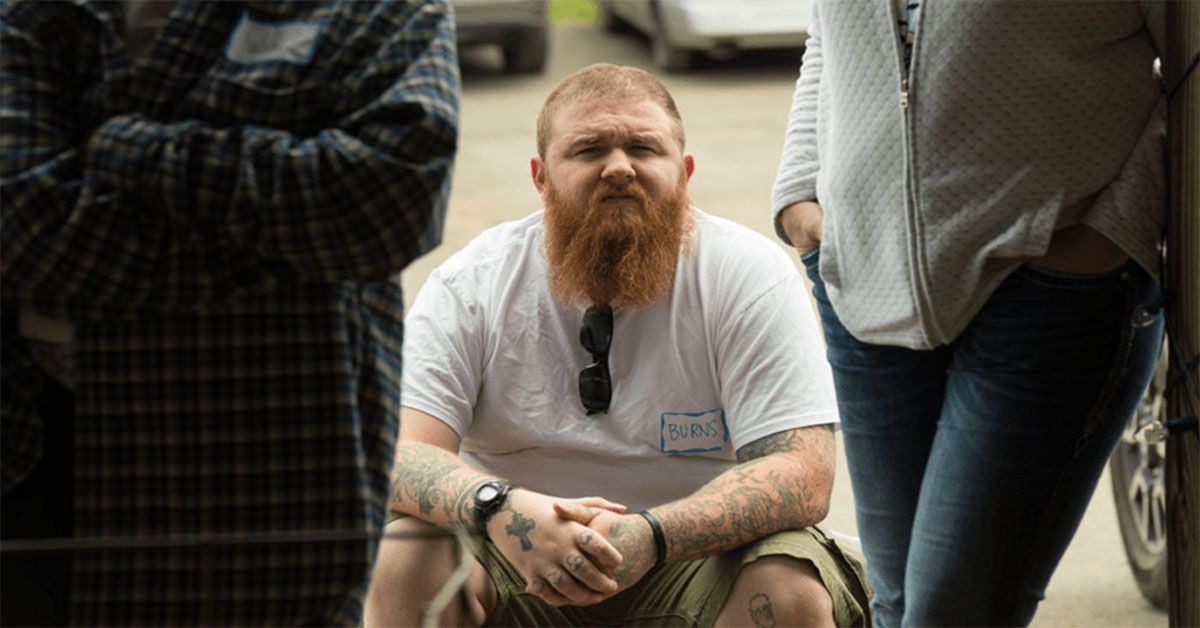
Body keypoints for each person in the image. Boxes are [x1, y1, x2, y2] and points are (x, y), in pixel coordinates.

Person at [364, 63, 872, 627]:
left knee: (788, 588)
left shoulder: (749, 275)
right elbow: (394, 454)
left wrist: (654, 535)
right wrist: (503, 508)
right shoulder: (472, 284)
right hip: (516, 556)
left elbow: (802, 471)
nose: (619, 168)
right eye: (588, 150)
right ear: (540, 177)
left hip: (695, 561)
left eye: (643, 148)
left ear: (684, 172)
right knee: (405, 558)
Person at [0, 1, 458, 625]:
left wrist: (126, 146)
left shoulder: (377, 9)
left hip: (272, 486)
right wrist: (283, 258)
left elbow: (387, 201)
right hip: (45, 470)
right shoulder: (31, 11)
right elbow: (23, 224)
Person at [771, 1, 1167, 625]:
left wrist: (1117, 226)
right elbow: (828, 35)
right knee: (898, 604)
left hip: (1048, 294)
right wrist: (800, 196)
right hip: (865, 282)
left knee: (950, 613)